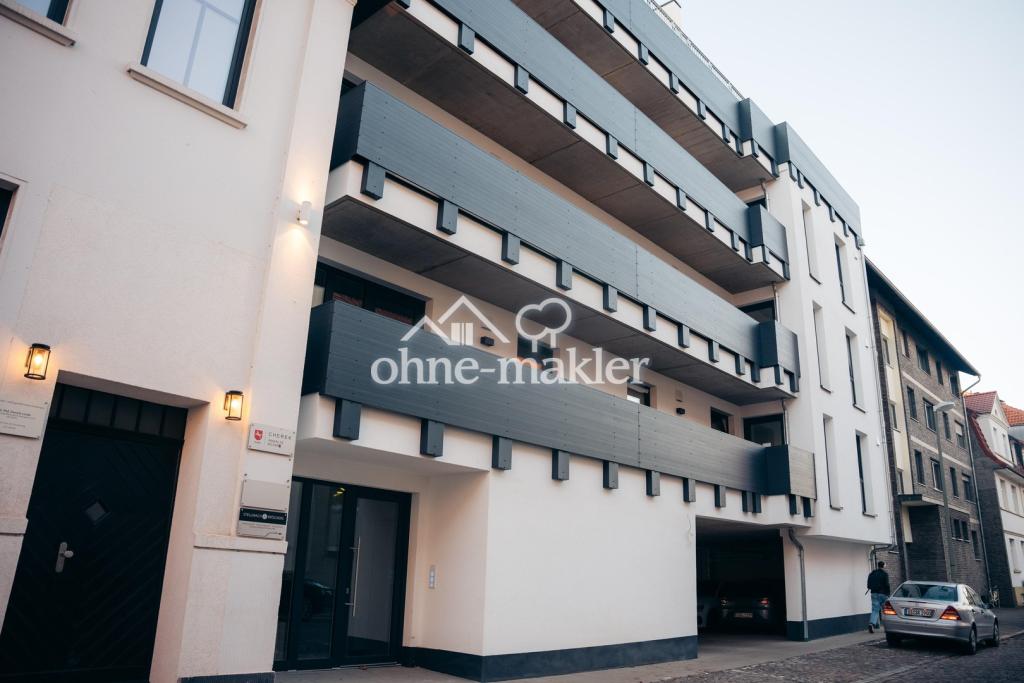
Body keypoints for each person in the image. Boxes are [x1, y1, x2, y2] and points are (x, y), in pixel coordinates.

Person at [866, 561, 891, 633]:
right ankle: (887, 627)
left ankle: (871, 624)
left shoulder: (872, 573)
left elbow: (868, 585)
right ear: (883, 566)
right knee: (886, 611)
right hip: (883, 594)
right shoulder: (885, 574)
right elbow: (887, 584)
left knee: (875, 610)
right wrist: (888, 593)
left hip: (874, 593)